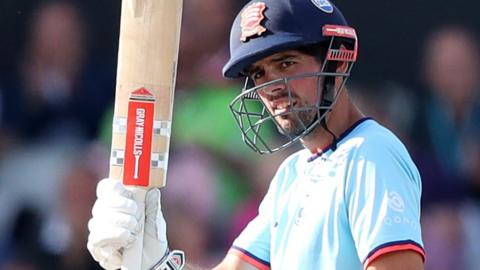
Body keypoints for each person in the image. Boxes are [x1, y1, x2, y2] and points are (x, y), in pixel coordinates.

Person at [87, 0, 425, 269]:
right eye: (259, 73)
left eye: (286, 63)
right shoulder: (292, 176)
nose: (271, 86)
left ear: (336, 61)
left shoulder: (371, 154)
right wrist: (157, 260)